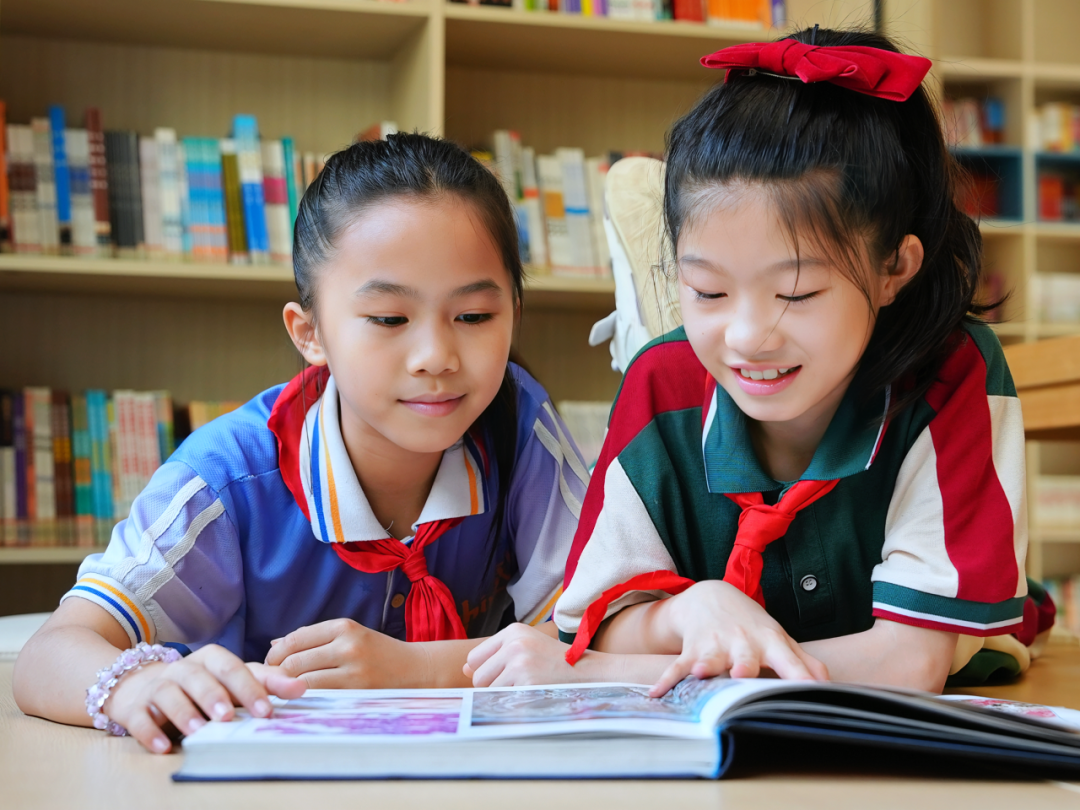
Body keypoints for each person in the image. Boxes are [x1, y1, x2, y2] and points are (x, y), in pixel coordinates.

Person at [464, 28, 1042, 696]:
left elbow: (908, 666)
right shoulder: (663, 380)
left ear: (894, 267)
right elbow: (600, 619)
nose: (746, 338)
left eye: (795, 294)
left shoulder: (956, 371)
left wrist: (609, 673)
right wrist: (690, 610)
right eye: (707, 291)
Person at [13, 133, 588, 753]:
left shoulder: (518, 424)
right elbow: (49, 652)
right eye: (390, 319)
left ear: (514, 313)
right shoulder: (227, 479)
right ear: (309, 333)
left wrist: (417, 669)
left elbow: (597, 635)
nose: (436, 357)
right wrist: (137, 686)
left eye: (473, 316)